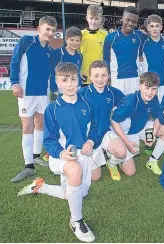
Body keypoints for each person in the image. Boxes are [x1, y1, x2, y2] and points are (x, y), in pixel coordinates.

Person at [18, 63, 105, 242]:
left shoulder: (88, 104)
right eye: (64, 80)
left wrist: (91, 141)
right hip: (63, 156)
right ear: (57, 82)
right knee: (75, 172)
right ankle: (76, 221)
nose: (70, 84)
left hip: (85, 154)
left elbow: (96, 128)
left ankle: (41, 187)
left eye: (73, 79)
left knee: (78, 193)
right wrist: (60, 153)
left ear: (79, 81)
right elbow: (48, 140)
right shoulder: (52, 108)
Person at [10, 16, 57, 182]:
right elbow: (14, 61)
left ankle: (36, 156)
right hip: (26, 93)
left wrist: (55, 90)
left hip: (44, 93)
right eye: (47, 29)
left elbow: (52, 74)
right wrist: (15, 83)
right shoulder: (26, 41)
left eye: (53, 30)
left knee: (40, 124)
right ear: (39, 29)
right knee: (27, 127)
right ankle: (28, 166)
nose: (50, 33)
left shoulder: (50, 51)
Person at [110, 72, 164, 176]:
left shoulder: (153, 98)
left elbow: (157, 117)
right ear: (140, 86)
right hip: (125, 133)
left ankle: (152, 161)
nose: (150, 92)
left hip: (141, 127)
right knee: (130, 172)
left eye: (154, 89)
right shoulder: (130, 102)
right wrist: (126, 142)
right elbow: (114, 121)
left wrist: (153, 135)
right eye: (147, 88)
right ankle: (111, 161)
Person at [79, 60, 125, 181]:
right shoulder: (82, 94)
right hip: (88, 137)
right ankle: (95, 156)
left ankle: (112, 163)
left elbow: (127, 104)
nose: (100, 79)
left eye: (104, 75)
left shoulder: (113, 92)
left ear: (108, 75)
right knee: (95, 177)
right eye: (96, 75)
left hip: (105, 132)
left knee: (122, 154)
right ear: (90, 77)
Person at [103, 6, 147, 95]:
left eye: (134, 22)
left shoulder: (140, 36)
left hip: (135, 79)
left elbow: (155, 35)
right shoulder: (110, 38)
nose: (130, 23)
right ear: (122, 18)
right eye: (128, 20)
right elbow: (106, 59)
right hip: (117, 80)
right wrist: (107, 76)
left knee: (133, 106)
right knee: (118, 107)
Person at [140, 14, 164, 102]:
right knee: (148, 109)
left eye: (157, 26)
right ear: (148, 28)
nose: (155, 29)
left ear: (161, 27)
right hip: (148, 82)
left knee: (163, 107)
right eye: (152, 26)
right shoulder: (144, 43)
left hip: (163, 81)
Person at [80, 4, 107, 86]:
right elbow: (74, 55)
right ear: (86, 18)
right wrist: (78, 71)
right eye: (91, 18)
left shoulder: (106, 35)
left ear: (101, 19)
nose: (93, 21)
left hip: (100, 78)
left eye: (96, 19)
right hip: (84, 76)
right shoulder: (80, 34)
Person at [50, 26, 83, 94]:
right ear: (66, 39)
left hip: (76, 88)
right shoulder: (57, 53)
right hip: (61, 89)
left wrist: (79, 85)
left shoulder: (80, 56)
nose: (74, 43)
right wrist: (54, 89)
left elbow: (78, 72)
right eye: (72, 40)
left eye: (77, 41)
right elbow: (51, 72)